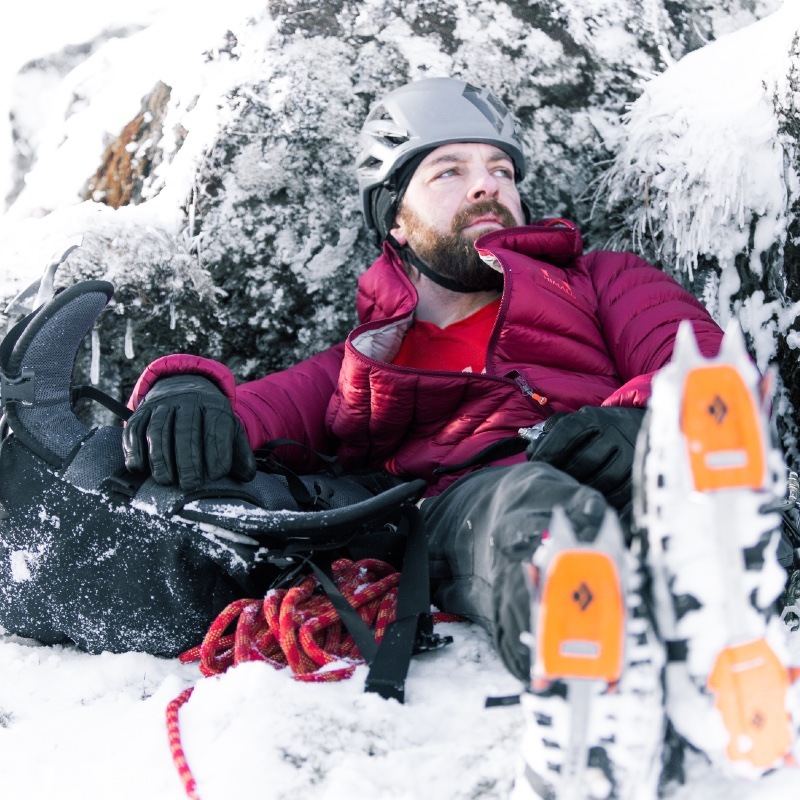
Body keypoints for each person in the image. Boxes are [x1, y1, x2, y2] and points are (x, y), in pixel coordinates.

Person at [121, 78, 792, 797]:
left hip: (633, 462)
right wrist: (182, 384)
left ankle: (705, 585)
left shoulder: (601, 281)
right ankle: (599, 676)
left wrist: (639, 420)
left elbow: (695, 354)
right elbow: (249, 410)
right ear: (397, 221)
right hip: (477, 505)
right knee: (535, 509)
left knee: (695, 428)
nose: (487, 187)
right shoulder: (362, 366)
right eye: (450, 171)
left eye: (500, 171)